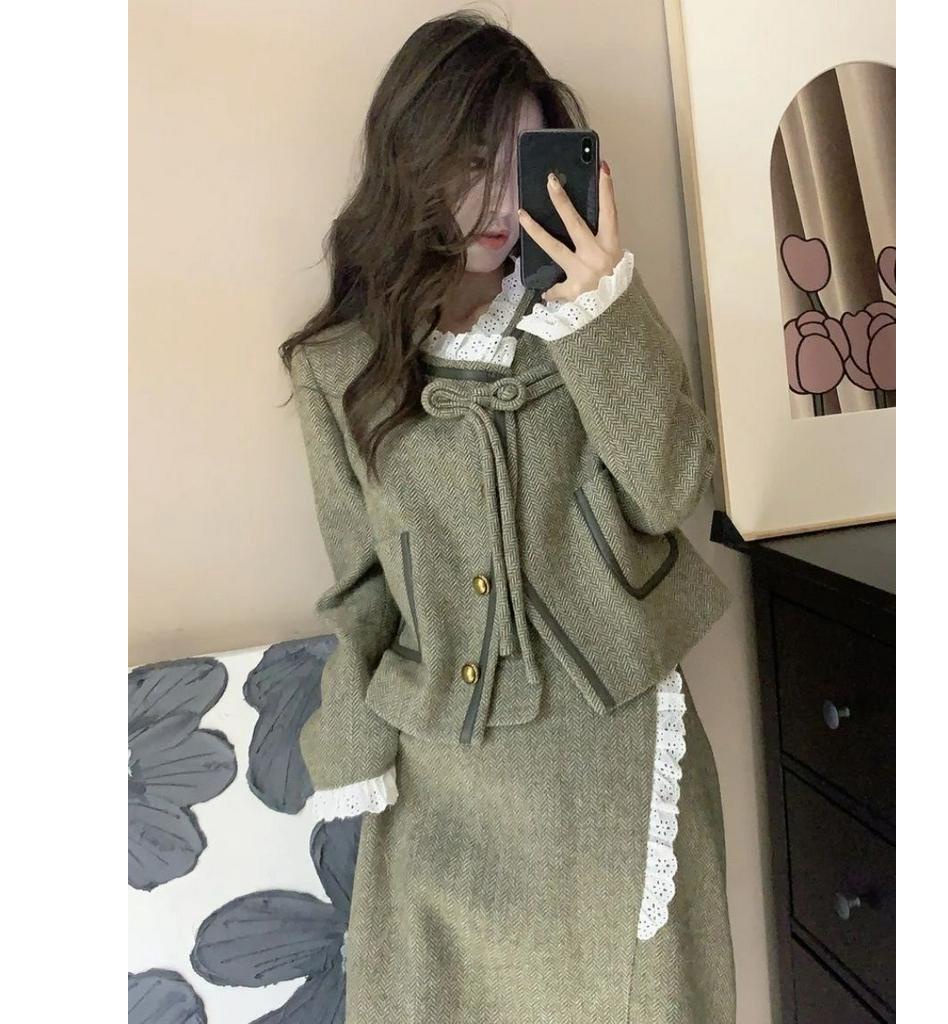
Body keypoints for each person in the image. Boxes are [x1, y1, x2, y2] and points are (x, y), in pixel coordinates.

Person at [280, 10, 736, 1022]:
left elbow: (674, 494)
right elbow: (361, 589)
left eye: (519, 166)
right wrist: (354, 754)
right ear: (410, 160)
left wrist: (601, 305)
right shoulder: (337, 369)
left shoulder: (587, 318)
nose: (495, 202)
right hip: (447, 777)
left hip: (614, 753)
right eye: (468, 162)